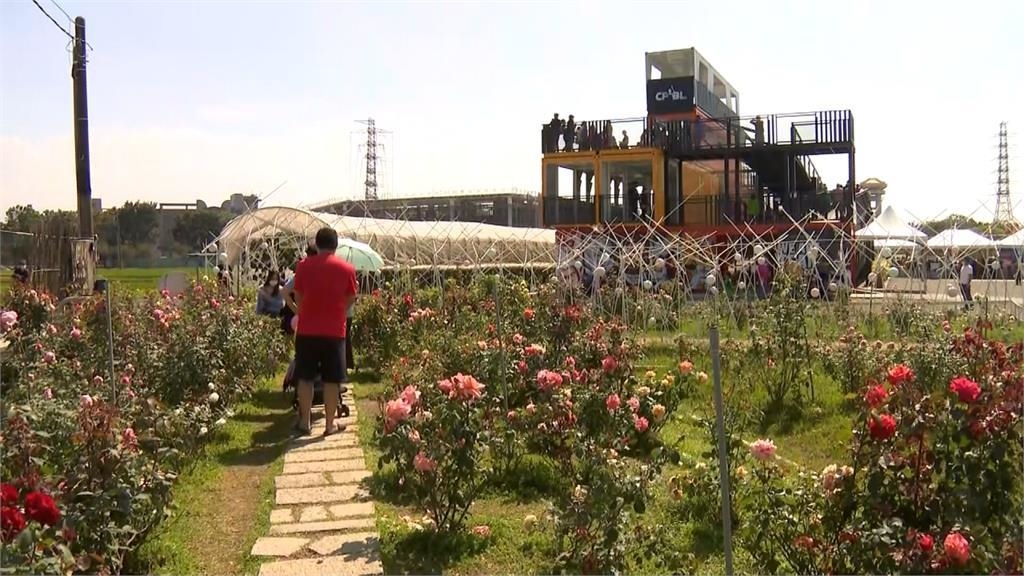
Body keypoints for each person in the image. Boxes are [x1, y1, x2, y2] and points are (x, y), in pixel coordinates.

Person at [291, 227, 358, 436]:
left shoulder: (303, 266)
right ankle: (329, 425)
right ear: (336, 245)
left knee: (305, 377)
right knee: (331, 379)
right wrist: (338, 311)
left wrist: (307, 311)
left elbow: (298, 295)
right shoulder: (347, 269)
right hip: (334, 331)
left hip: (307, 330)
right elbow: (351, 297)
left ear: (317, 244)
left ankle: (305, 421)